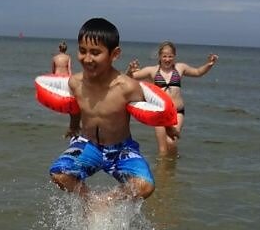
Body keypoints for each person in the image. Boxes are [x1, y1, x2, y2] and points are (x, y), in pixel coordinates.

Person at [49, 18, 175, 202]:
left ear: (114, 54)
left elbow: (155, 110)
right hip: (88, 144)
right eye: (82, 51)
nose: (87, 58)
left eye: (95, 52)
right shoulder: (75, 83)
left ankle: (107, 202)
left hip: (120, 149)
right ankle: (91, 201)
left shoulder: (127, 87)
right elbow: (75, 107)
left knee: (146, 186)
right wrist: (73, 126)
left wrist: (170, 126)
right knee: (58, 173)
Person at [126, 41, 218, 156]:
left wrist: (209, 64)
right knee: (162, 149)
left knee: (171, 142)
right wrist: (130, 70)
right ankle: (163, 172)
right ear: (159, 56)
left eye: (170, 56)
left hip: (177, 112)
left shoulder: (180, 68)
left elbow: (198, 72)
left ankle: (172, 165)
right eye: (164, 56)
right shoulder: (152, 70)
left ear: (174, 56)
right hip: (158, 112)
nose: (167, 59)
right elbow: (130, 78)